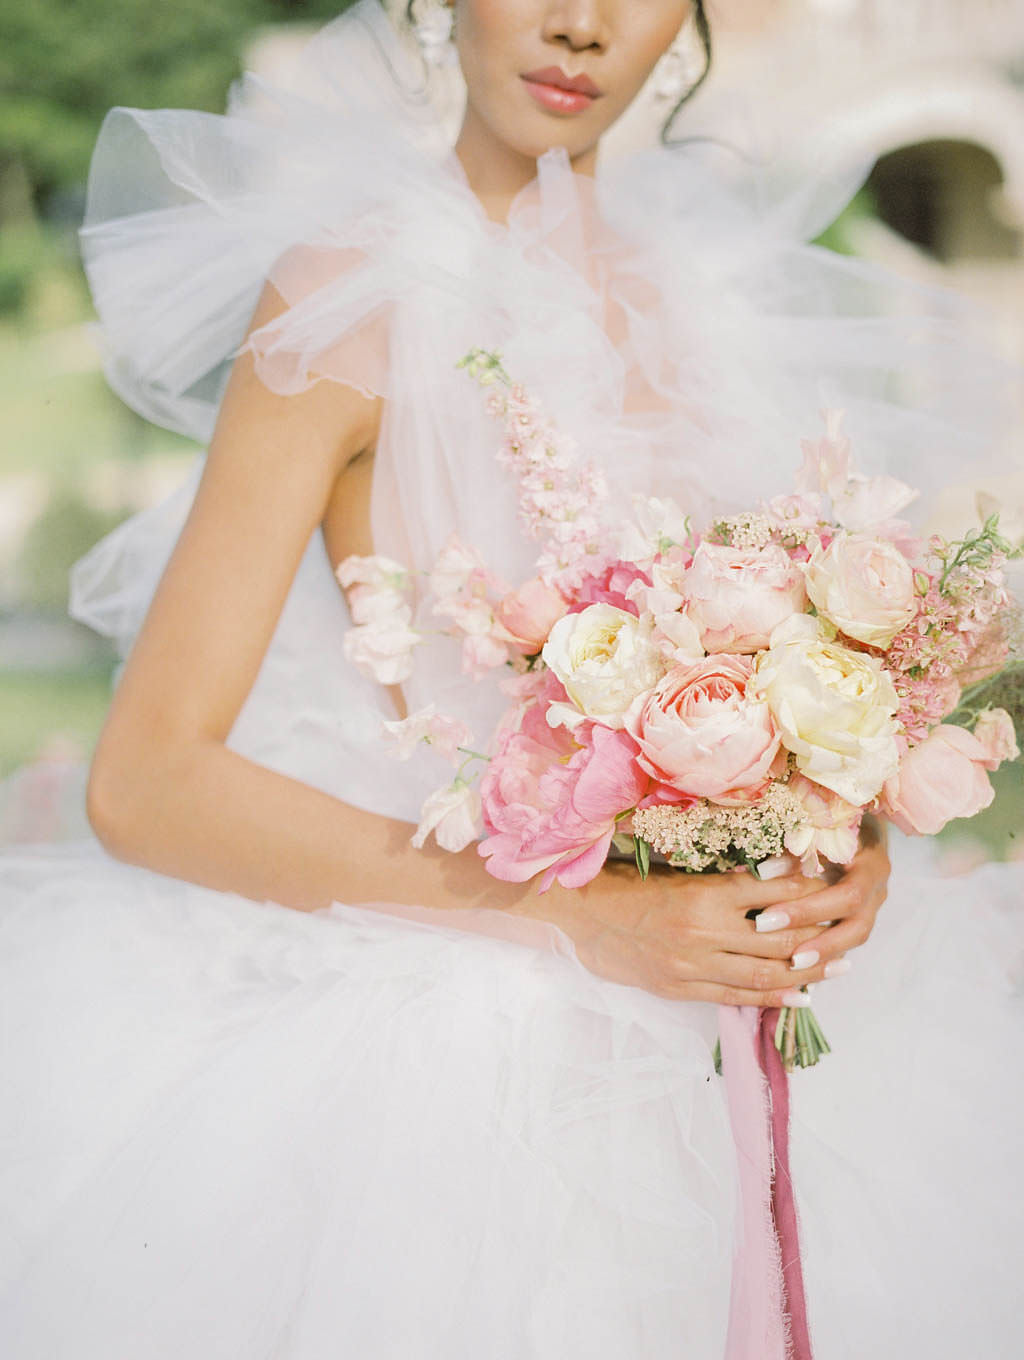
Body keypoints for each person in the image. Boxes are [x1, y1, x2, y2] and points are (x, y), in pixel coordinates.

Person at [0, 2, 1021, 1356]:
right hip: (464, 1043)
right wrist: (585, 922)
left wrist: (849, 832)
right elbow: (145, 780)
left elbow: (795, 653)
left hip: (777, 1007)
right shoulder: (346, 292)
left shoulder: (730, 288)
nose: (581, 23)